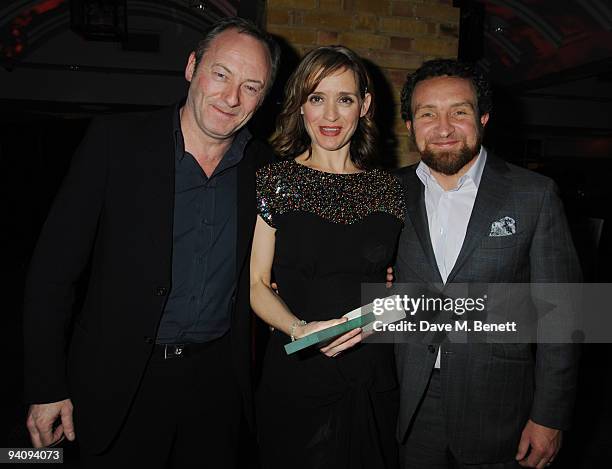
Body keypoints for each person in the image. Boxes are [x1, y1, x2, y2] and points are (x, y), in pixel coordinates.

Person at [23, 17, 279, 468]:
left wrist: (377, 273)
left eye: (251, 86)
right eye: (221, 74)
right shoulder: (115, 143)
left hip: (217, 387)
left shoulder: (264, 169)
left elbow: (291, 257)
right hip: (119, 382)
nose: (232, 97)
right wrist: (46, 386)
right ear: (191, 68)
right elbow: (52, 273)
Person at [393, 59, 581, 469]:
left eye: (459, 112)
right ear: (410, 124)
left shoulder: (534, 195)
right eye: (428, 114)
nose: (443, 128)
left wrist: (549, 416)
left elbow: (563, 314)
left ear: (483, 117)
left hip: (500, 406)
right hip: (410, 400)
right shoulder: (388, 192)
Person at [250, 45, 404, 469]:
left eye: (345, 99)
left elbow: (407, 288)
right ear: (300, 105)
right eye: (317, 98)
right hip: (298, 376)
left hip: (372, 375)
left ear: (365, 106)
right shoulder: (275, 181)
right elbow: (258, 285)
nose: (331, 116)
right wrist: (300, 329)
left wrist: (384, 311)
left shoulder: (390, 189)